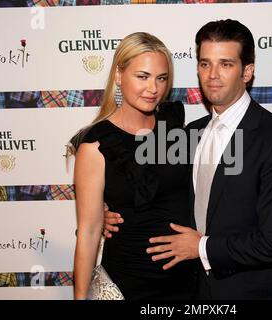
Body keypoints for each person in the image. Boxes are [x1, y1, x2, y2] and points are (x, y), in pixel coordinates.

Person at [105, 19, 272, 300]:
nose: (213, 74)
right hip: (192, 290)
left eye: (226, 64)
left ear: (247, 71)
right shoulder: (190, 134)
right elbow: (156, 189)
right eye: (205, 63)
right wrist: (108, 210)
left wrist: (200, 248)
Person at [71, 32, 195, 300]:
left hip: (186, 283)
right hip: (128, 284)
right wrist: (80, 297)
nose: (153, 88)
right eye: (143, 76)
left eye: (161, 78)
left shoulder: (173, 124)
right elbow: (89, 232)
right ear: (119, 75)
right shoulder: (95, 145)